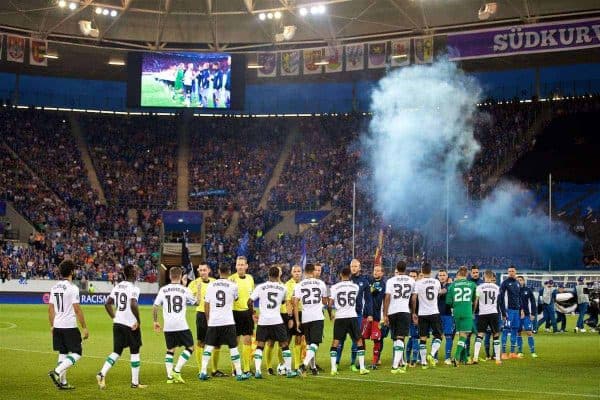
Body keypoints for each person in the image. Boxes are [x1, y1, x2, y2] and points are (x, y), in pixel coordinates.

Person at [199, 264, 251, 381]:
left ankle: (202, 372)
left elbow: (206, 304)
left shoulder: (211, 285)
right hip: (228, 321)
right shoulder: (233, 285)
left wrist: (208, 319)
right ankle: (238, 373)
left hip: (214, 321)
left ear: (218, 271)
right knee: (233, 347)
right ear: (229, 272)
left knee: (209, 347)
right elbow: (236, 299)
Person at [96, 264, 146, 389]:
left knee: (116, 352)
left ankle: (102, 373)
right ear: (133, 274)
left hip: (118, 323)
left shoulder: (117, 287)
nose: (137, 272)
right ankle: (135, 383)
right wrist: (138, 321)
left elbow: (107, 304)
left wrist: (114, 317)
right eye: (136, 271)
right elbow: (133, 304)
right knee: (135, 351)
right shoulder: (134, 288)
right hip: (130, 325)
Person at [248, 266, 297, 379]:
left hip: (263, 321)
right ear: (278, 275)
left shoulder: (261, 287)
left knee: (260, 346)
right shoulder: (283, 288)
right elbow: (284, 301)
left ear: (268, 274)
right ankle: (289, 370)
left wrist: (252, 313)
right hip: (276, 320)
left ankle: (258, 371)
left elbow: (249, 301)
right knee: (284, 344)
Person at [48, 260, 89, 390]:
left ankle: (63, 382)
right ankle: (57, 372)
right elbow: (77, 309)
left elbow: (50, 308)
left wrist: (52, 325)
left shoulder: (54, 287)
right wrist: (84, 327)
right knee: (77, 353)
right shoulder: (73, 288)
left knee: (63, 353)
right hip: (69, 326)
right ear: (71, 272)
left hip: (58, 325)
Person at [152, 267, 197, 384]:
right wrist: (196, 289)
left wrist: (155, 321)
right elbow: (196, 302)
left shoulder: (163, 290)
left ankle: (169, 377)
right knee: (190, 347)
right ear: (181, 275)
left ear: (170, 276)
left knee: (170, 350)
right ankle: (176, 371)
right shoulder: (184, 289)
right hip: (181, 325)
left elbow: (155, 306)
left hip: (168, 326)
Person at [329, 266, 370, 376]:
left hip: (340, 317)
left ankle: (333, 368)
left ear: (340, 275)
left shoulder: (334, 287)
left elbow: (330, 304)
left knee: (336, 342)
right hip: (352, 316)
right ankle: (362, 368)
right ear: (350, 275)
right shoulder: (355, 287)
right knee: (358, 341)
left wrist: (330, 314)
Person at [188, 263, 224, 378]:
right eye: (200, 270)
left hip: (215, 315)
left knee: (217, 344)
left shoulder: (215, 282)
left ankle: (214, 370)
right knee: (201, 343)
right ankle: (201, 370)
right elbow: (192, 301)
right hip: (202, 315)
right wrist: (197, 292)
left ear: (209, 270)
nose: (202, 272)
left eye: (204, 270)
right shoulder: (194, 284)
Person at [293, 263, 329, 376]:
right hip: (317, 316)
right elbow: (325, 301)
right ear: (313, 271)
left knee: (309, 345)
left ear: (304, 272)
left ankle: (313, 368)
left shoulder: (299, 284)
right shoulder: (321, 283)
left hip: (305, 317)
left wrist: (298, 321)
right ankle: (303, 365)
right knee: (315, 343)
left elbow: (295, 303)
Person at [336, 259, 372, 371]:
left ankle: (353, 363)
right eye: (352, 266)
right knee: (340, 340)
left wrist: (369, 314)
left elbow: (368, 299)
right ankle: (336, 362)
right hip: (343, 314)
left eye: (356, 266)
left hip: (357, 315)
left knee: (356, 340)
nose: (354, 268)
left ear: (359, 267)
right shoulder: (345, 280)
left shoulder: (364, 282)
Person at [383, 261, 414, 374]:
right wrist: (413, 312)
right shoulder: (411, 280)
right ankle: (395, 366)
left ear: (396, 268)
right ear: (405, 269)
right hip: (404, 311)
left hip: (392, 312)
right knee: (400, 338)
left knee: (396, 338)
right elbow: (413, 298)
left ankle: (399, 363)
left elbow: (387, 298)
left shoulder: (391, 280)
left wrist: (385, 314)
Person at [411, 262, 442, 369]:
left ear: (422, 271)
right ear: (431, 270)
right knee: (438, 336)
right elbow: (438, 294)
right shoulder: (437, 282)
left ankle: (424, 362)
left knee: (422, 338)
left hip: (422, 313)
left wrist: (414, 312)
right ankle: (432, 354)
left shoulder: (418, 283)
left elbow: (414, 298)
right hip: (434, 312)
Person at [446, 266, 477, 366]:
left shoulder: (452, 285)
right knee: (464, 335)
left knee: (461, 334)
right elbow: (474, 299)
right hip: (467, 311)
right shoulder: (472, 284)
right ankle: (457, 356)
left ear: (458, 274)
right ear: (467, 274)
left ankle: (464, 359)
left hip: (456, 312)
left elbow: (448, 302)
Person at [229, 256, 255, 375]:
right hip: (234, 313)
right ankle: (235, 369)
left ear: (246, 266)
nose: (240, 266)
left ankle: (247, 368)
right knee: (235, 343)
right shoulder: (231, 279)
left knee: (248, 341)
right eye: (238, 264)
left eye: (242, 264)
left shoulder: (250, 278)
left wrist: (253, 312)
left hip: (247, 313)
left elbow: (252, 298)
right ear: (235, 266)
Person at [473, 269, 501, 365]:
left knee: (480, 335)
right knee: (496, 335)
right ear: (492, 277)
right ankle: (497, 359)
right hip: (493, 313)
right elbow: (498, 301)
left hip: (482, 314)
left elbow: (476, 301)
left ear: (484, 276)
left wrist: (473, 311)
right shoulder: (497, 287)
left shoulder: (479, 287)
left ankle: (475, 357)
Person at [365, 264, 386, 369]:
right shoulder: (370, 281)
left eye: (378, 271)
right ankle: (361, 359)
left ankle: (376, 360)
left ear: (382, 273)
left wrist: (367, 287)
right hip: (366, 314)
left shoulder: (382, 284)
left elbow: (371, 291)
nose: (375, 272)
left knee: (377, 339)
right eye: (374, 270)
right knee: (361, 337)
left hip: (377, 316)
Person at [499, 265, 522, 359]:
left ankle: (512, 352)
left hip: (516, 311)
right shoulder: (504, 283)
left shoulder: (517, 283)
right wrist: (504, 312)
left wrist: (521, 310)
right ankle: (503, 353)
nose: (511, 272)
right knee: (505, 330)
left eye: (512, 271)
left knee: (515, 330)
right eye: (509, 271)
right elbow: (501, 299)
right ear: (508, 272)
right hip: (509, 311)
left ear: (515, 272)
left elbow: (519, 297)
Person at [285, 265, 304, 369]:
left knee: (298, 339)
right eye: (295, 271)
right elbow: (288, 302)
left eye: (299, 271)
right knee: (287, 340)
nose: (297, 273)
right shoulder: (288, 284)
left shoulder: (303, 284)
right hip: (291, 314)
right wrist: (290, 318)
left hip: (301, 313)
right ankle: (284, 364)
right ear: (292, 273)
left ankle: (297, 365)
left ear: (301, 273)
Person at [516, 276, 538, 358]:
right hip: (516, 315)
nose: (519, 281)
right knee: (518, 332)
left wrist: (533, 314)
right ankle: (520, 351)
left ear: (523, 281)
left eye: (520, 280)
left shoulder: (528, 290)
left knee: (529, 332)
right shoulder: (514, 291)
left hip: (527, 315)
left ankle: (533, 351)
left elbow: (533, 302)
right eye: (517, 280)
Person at [437, 269, 455, 365]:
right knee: (437, 336)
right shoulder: (435, 285)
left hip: (448, 314)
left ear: (447, 276)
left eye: (444, 275)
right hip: (437, 314)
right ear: (438, 277)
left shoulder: (451, 286)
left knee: (448, 336)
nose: (442, 276)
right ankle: (434, 358)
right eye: (440, 275)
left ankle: (447, 357)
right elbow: (441, 292)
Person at [406, 270, 420, 366]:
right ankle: (413, 359)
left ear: (417, 277)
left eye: (414, 276)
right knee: (413, 337)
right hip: (409, 316)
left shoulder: (419, 288)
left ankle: (410, 358)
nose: (412, 278)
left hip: (420, 316)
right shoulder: (406, 289)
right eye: (410, 276)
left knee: (413, 337)